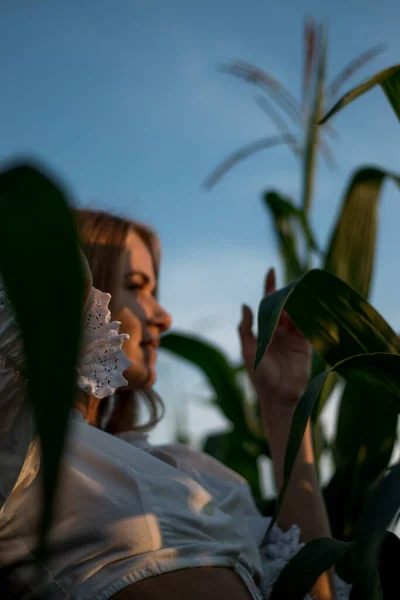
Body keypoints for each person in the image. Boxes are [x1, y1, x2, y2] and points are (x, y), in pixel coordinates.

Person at [0, 208, 351, 600]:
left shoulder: (190, 467)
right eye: (136, 285)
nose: (164, 316)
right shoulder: (23, 455)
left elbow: (316, 587)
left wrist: (285, 403)